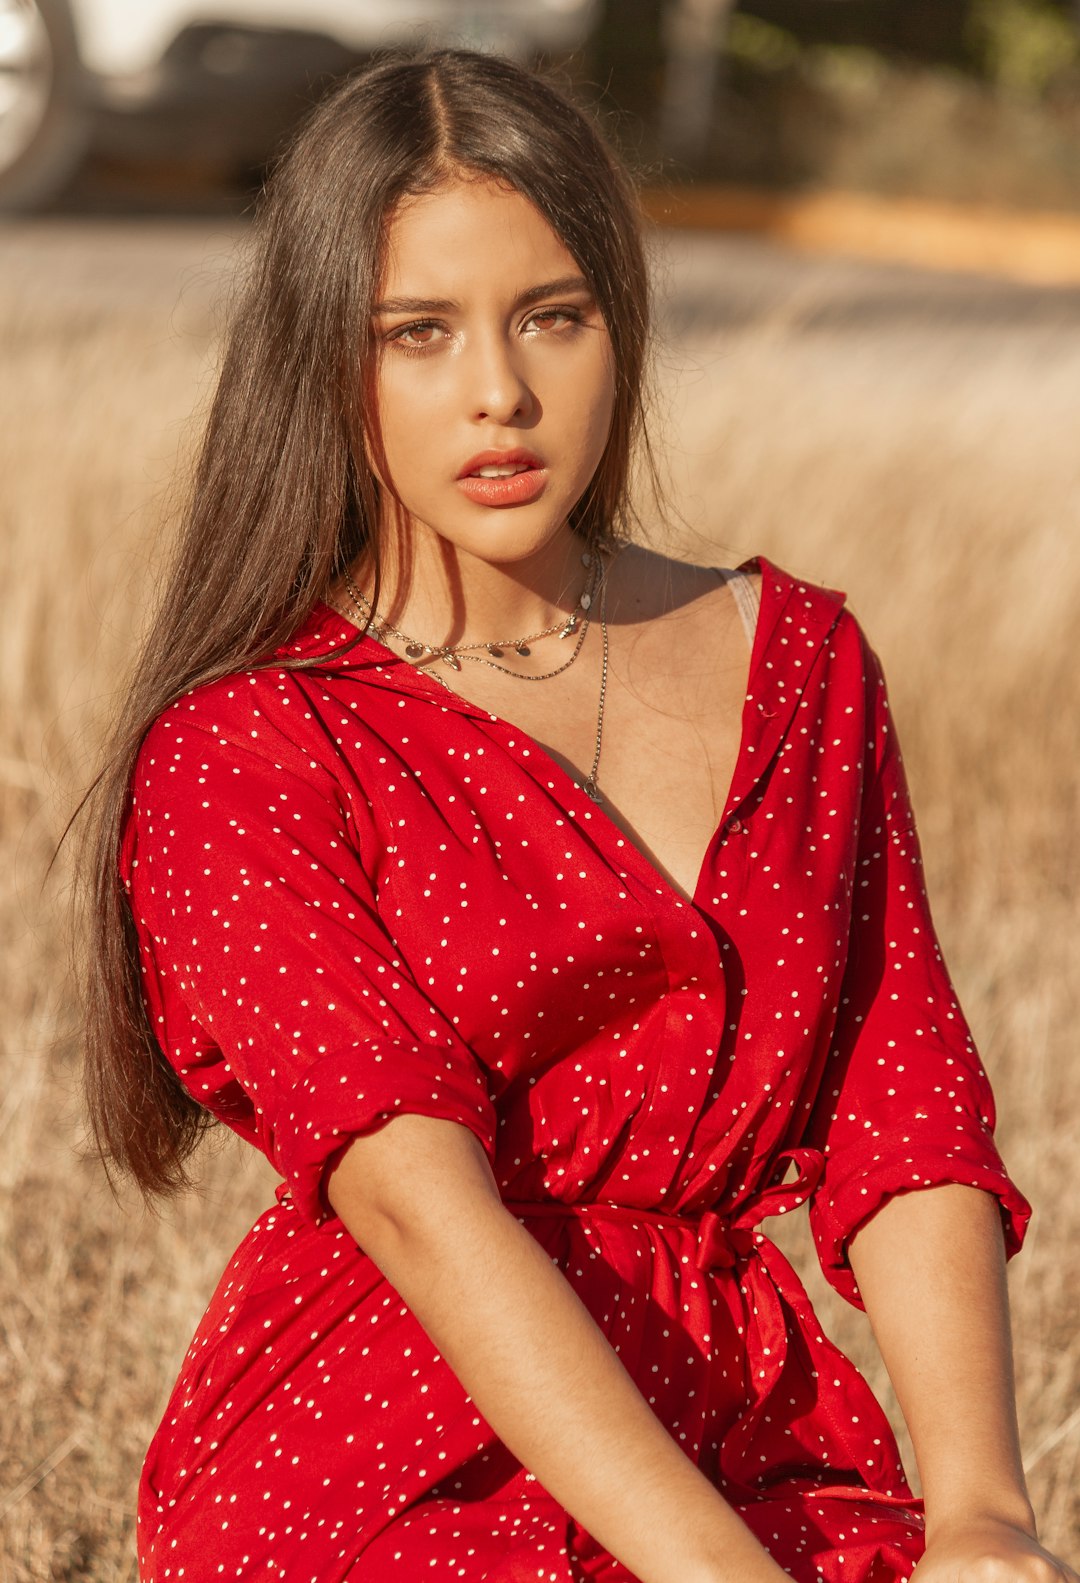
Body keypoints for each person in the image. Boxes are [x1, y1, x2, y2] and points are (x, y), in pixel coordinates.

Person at [78, 48, 1074, 1583]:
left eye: (555, 314)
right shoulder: (244, 751)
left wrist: (988, 1521)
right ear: (320, 362)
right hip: (395, 1459)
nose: (503, 393)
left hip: (760, 1429)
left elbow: (905, 1113)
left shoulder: (801, 662)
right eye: (419, 334)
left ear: (624, 323)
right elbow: (421, 1215)